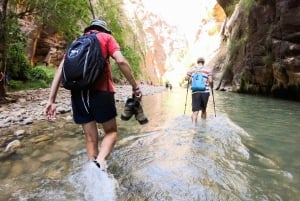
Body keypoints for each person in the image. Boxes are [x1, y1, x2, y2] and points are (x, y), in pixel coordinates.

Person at [44, 19, 142, 170]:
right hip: (101, 92)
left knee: (90, 138)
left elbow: (60, 71)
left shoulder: (76, 42)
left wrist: (51, 100)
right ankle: (100, 162)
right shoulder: (106, 38)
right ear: (104, 29)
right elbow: (121, 61)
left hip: (78, 95)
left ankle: (92, 170)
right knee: (111, 132)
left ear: (89, 29)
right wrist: (135, 86)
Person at [185, 57, 213, 125]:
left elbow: (186, 78)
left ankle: (194, 126)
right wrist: (211, 85)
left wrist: (189, 76)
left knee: (195, 111)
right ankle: (203, 126)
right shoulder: (207, 69)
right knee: (204, 110)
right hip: (205, 92)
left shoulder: (192, 69)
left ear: (197, 62)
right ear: (203, 62)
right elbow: (210, 80)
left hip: (195, 92)